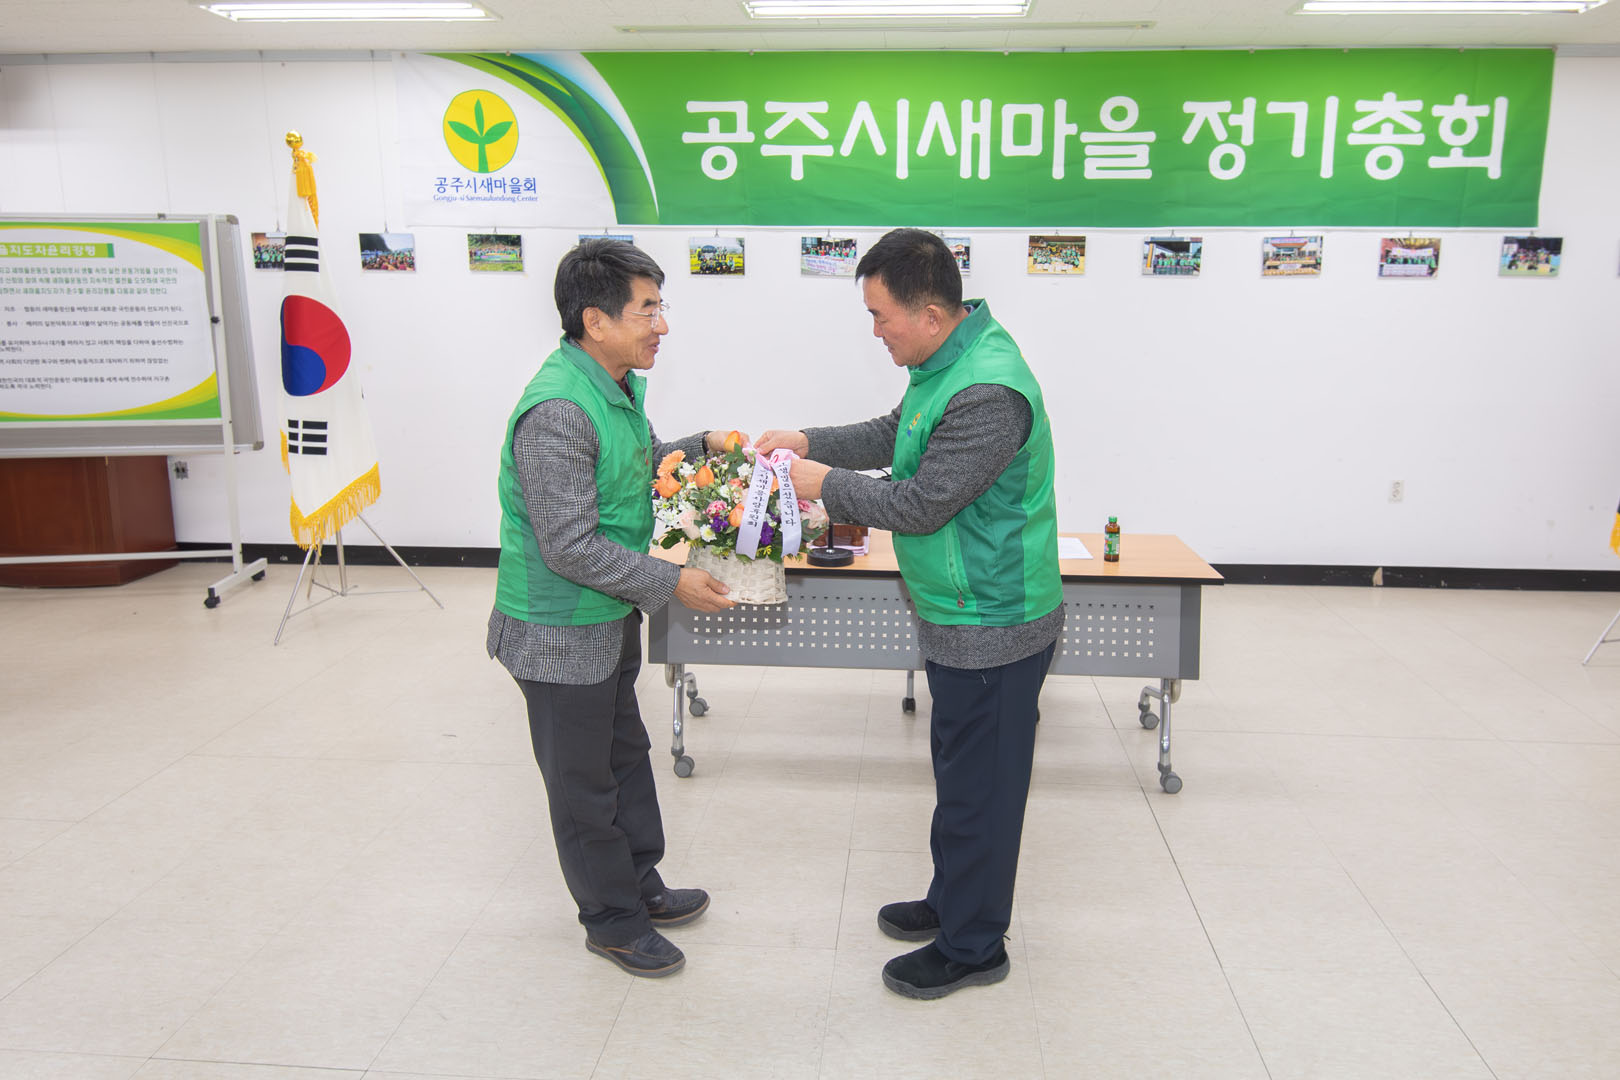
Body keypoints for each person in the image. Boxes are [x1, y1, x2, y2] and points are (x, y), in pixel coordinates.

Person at [756, 227, 1063, 1001]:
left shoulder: (988, 390)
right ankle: (952, 898)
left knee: (983, 791)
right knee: (961, 776)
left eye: (879, 316)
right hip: (958, 612)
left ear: (929, 314)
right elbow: (897, 434)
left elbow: (921, 504)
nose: (875, 331)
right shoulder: (945, 361)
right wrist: (808, 440)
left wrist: (820, 483)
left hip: (994, 622)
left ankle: (973, 945)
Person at [488, 238, 737, 978]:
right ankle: (611, 920)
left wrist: (702, 446)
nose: (662, 325)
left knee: (624, 757)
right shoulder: (559, 410)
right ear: (594, 321)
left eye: (661, 307)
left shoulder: (615, 386)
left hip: (605, 617)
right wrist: (672, 584)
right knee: (582, 784)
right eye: (647, 310)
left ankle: (639, 884)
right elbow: (568, 545)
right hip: (557, 629)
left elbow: (640, 463)